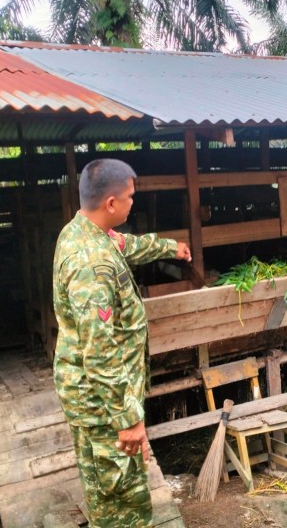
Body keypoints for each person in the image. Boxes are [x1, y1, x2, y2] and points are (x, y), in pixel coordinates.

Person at [52, 158, 191, 527]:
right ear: (111, 203)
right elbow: (98, 350)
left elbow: (126, 245)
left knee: (111, 496)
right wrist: (127, 419)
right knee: (122, 509)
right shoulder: (90, 264)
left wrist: (169, 248)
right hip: (101, 405)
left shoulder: (84, 231)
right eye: (130, 197)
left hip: (102, 400)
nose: (134, 202)